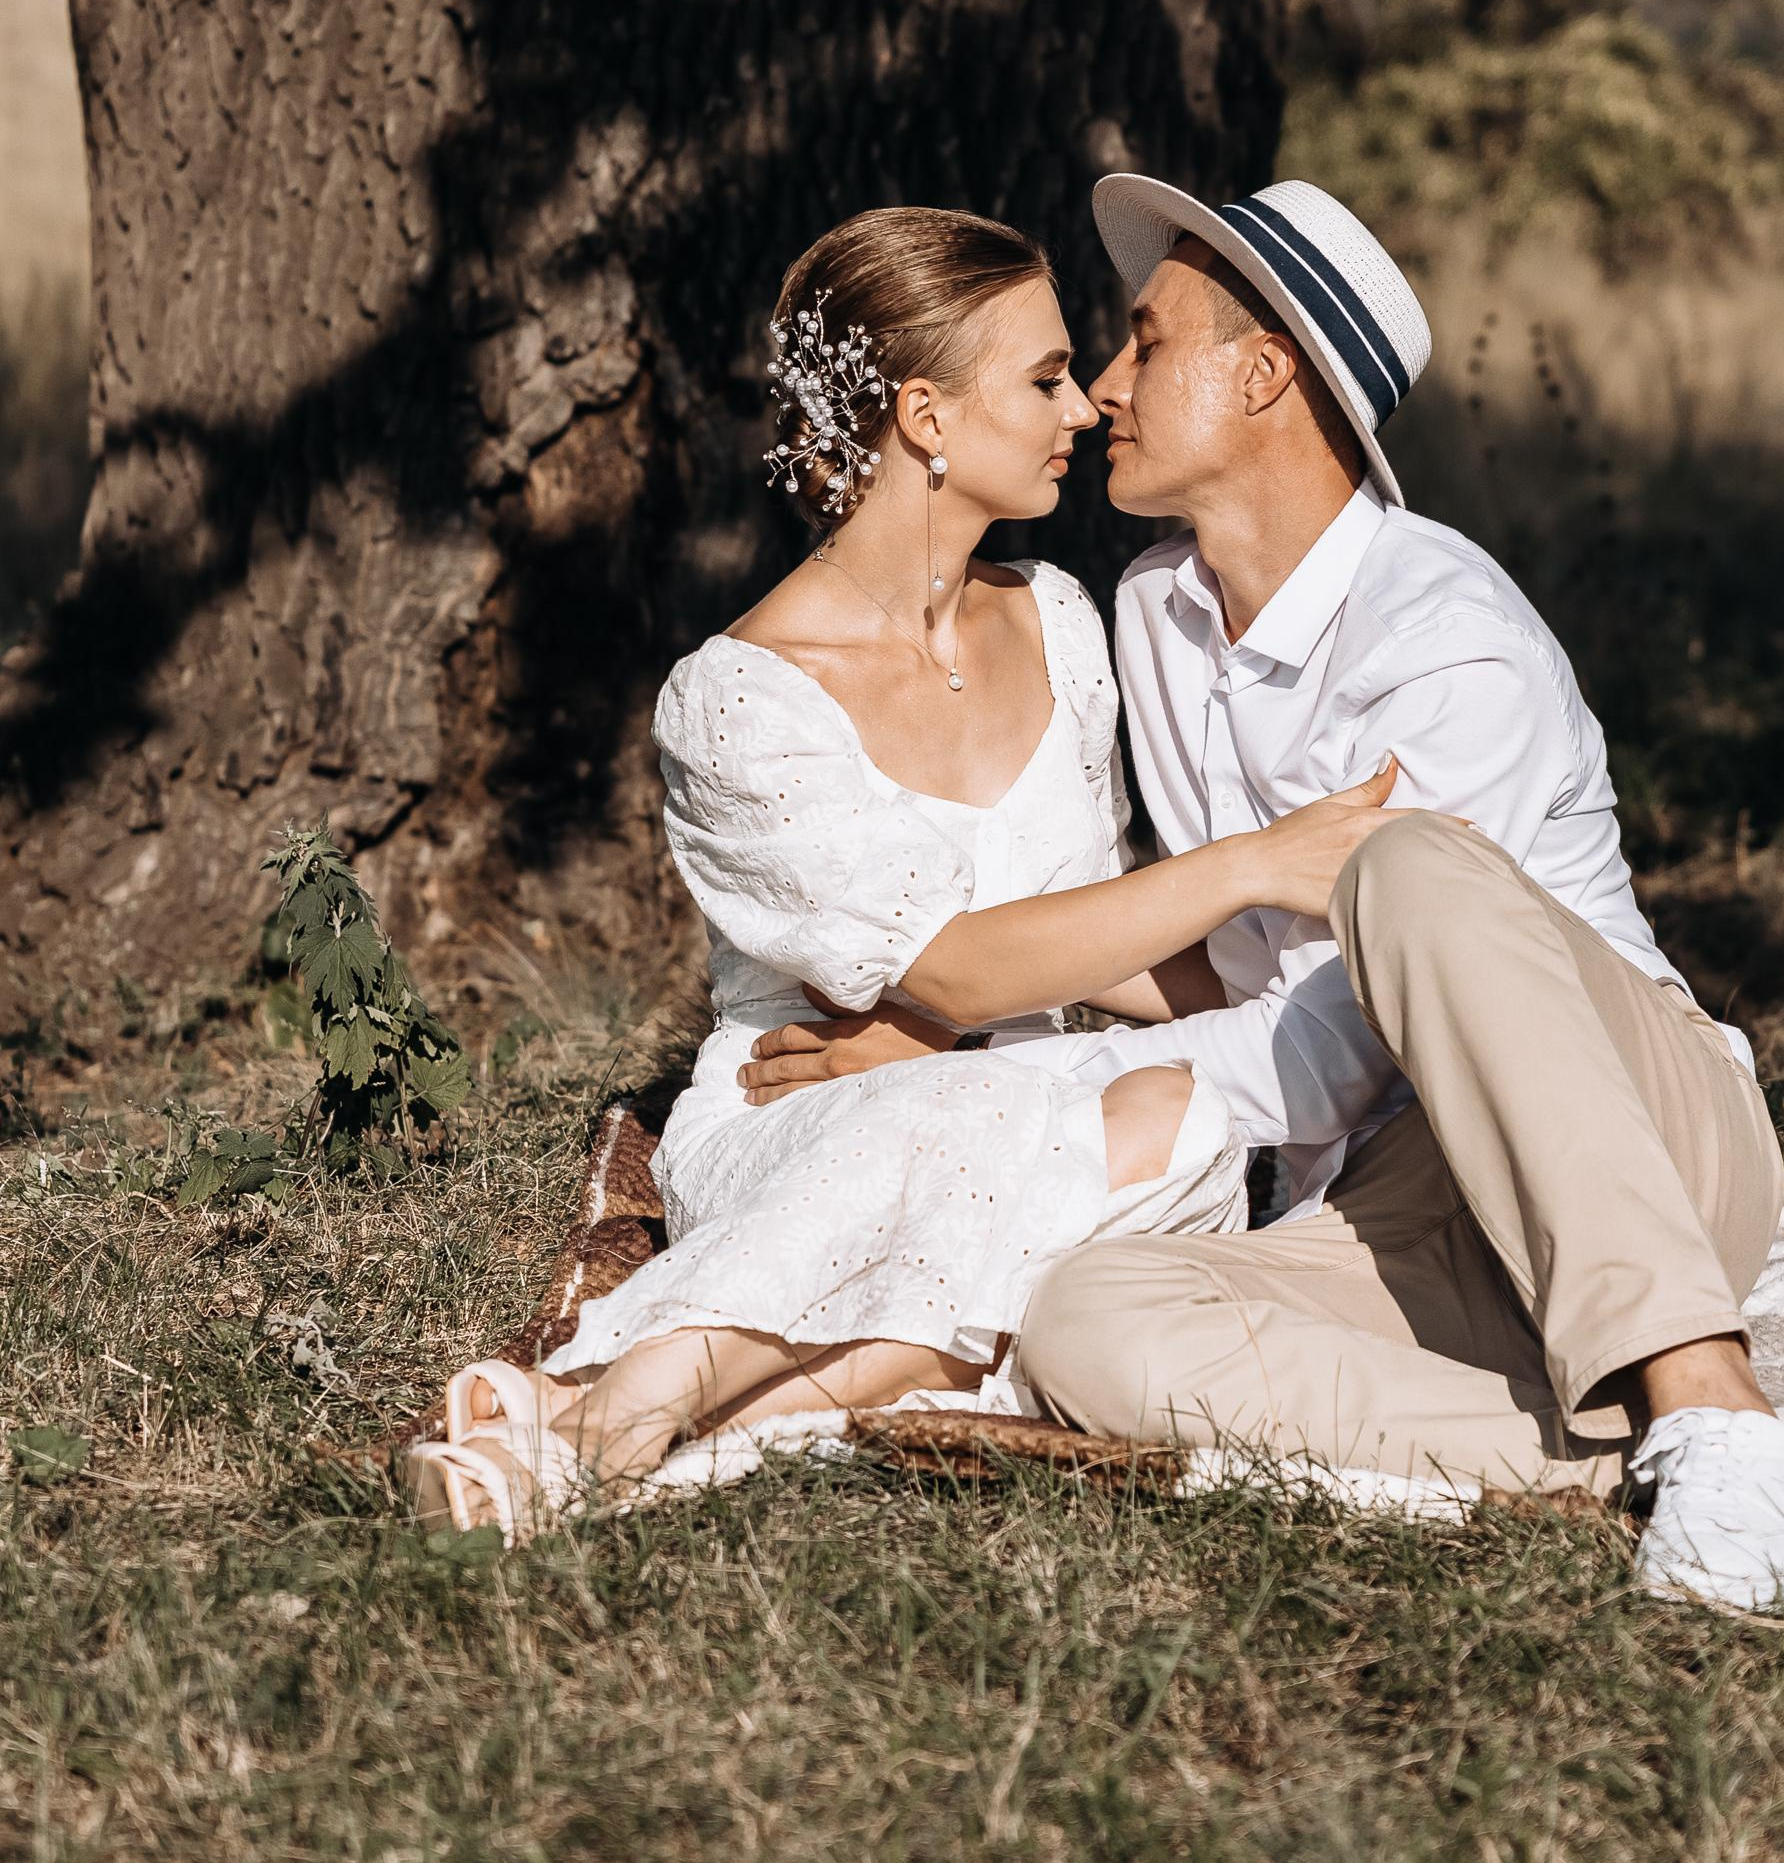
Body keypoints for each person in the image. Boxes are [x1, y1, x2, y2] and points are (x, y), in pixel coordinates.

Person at [744, 177, 1784, 1609]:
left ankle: (1706, 1395)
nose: (1102, 388)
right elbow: (1231, 972)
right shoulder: (1156, 613)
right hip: (1404, 1196)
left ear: (1261, 373)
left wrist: (1042, 1102)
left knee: (1402, 868)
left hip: (1633, 1140)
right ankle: (1751, 1464)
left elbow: (1335, 1050)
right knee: (1085, 1330)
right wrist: (943, 1019)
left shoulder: (1444, 638)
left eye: (1145, 345)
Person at [402, 205, 1400, 1539]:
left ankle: (584, 1441)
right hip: (814, 1108)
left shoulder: (1061, 617)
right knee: (969, 1135)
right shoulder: (740, 701)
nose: (1087, 404)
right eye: (1045, 378)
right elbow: (952, 967)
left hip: (1049, 1096)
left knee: (1198, 1131)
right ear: (925, 416)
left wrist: (1322, 991)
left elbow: (1094, 940)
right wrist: (1250, 867)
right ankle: (632, 1407)